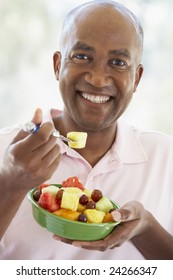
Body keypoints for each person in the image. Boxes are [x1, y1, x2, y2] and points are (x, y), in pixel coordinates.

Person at [0, 0, 173, 260]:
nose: (97, 79)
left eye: (118, 62)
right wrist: (10, 186)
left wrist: (146, 228)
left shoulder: (166, 157)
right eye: (82, 57)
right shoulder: (6, 150)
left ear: (136, 78)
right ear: (58, 65)